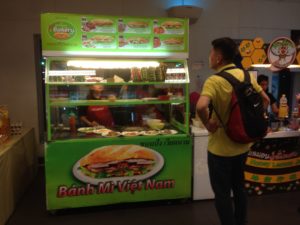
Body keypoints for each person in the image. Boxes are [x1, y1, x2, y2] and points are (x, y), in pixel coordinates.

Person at [196, 37, 269, 225]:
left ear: (218, 58)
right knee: (239, 189)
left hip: (220, 150)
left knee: (222, 194)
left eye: (211, 53)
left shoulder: (214, 81)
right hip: (243, 146)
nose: (210, 57)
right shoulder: (247, 76)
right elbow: (266, 100)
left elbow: (201, 106)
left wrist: (208, 124)